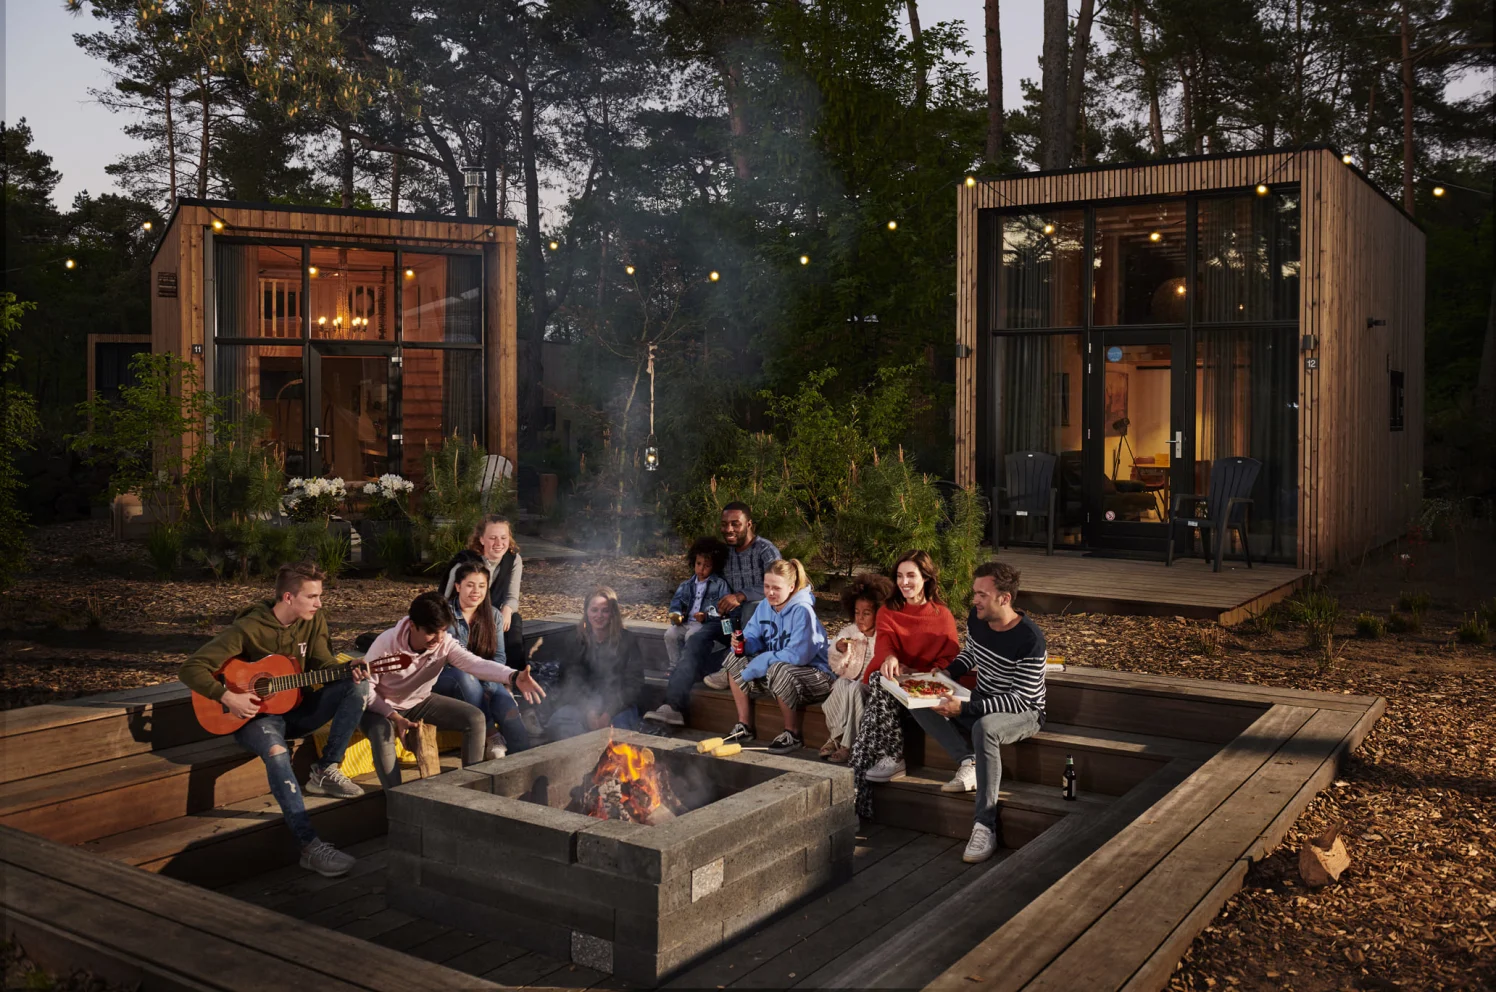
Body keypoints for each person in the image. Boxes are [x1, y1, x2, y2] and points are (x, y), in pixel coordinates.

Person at [178, 562, 370, 878]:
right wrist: (229, 697)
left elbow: (322, 662)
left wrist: (349, 667)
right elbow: (190, 668)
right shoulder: (248, 629)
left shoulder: (313, 619)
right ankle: (310, 847)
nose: (319, 603)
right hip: (254, 718)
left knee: (356, 684)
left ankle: (325, 769)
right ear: (288, 598)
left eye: (319, 596)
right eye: (312, 596)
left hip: (298, 709)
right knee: (277, 753)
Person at [909, 561, 1047, 863]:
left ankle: (985, 824)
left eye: (982, 595)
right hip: (982, 700)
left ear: (1004, 598)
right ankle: (967, 760)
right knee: (919, 698)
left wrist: (966, 707)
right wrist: (944, 676)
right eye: (975, 594)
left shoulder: (1030, 640)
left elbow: (1019, 699)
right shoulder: (978, 618)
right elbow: (971, 653)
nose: (974, 601)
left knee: (985, 727)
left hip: (1023, 712)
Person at [361, 592, 545, 790]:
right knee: (383, 734)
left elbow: (475, 664)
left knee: (474, 718)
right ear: (413, 626)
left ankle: (471, 788)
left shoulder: (444, 642)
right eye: (432, 632)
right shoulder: (386, 644)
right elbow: (365, 690)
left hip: (417, 701)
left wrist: (513, 676)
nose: (439, 638)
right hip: (377, 707)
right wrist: (395, 717)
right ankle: (395, 798)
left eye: (443, 630)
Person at [645, 502, 780, 726]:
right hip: (727, 624)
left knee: (748, 609)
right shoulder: (723, 553)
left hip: (757, 625)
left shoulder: (765, 550)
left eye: (735, 524)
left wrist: (741, 595)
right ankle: (672, 707)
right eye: (724, 524)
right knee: (697, 640)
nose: (729, 529)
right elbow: (705, 582)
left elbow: (778, 587)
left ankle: (728, 668)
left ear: (749, 524)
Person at [849, 550, 960, 815]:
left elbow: (950, 658)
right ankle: (890, 758)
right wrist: (890, 657)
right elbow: (885, 643)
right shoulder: (888, 610)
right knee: (881, 678)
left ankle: (858, 800)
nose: (904, 582)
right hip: (894, 690)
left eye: (911, 575)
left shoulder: (942, 614)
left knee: (868, 729)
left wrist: (927, 673)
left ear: (926, 578)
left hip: (925, 692)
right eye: (899, 576)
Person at [721, 558, 832, 755]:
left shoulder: (802, 611)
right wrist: (744, 644)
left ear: (791, 587)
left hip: (816, 677)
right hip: (780, 675)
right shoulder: (765, 606)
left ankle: (792, 733)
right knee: (734, 658)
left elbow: (799, 656)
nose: (770, 592)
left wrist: (762, 660)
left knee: (778, 668)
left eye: (776, 588)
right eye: (766, 586)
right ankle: (744, 726)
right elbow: (754, 635)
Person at [432, 561, 531, 758]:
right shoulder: (444, 614)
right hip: (445, 679)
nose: (476, 591)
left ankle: (525, 763)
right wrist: (482, 684)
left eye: (481, 586)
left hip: (484, 679)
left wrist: (486, 686)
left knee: (507, 707)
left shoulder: (493, 615)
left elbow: (499, 656)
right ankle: (492, 734)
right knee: (464, 676)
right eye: (470, 585)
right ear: (458, 586)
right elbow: (448, 661)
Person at [538, 586, 649, 741]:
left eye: (605, 610)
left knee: (619, 735)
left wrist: (608, 712)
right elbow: (568, 680)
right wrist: (588, 710)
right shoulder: (575, 641)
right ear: (586, 613)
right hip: (581, 705)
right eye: (594, 610)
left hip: (619, 706)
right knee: (561, 721)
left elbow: (634, 683)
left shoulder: (627, 640)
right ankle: (581, 760)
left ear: (613, 614)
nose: (599, 615)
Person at [819, 573, 894, 763]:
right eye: (857, 612)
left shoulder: (883, 635)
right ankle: (835, 736)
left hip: (872, 686)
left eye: (866, 613)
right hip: (851, 683)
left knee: (854, 687)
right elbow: (835, 665)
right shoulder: (850, 632)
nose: (860, 618)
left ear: (878, 612)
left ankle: (847, 744)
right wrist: (839, 649)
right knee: (842, 684)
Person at [442, 515, 524, 662]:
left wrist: (507, 610)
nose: (499, 543)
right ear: (481, 539)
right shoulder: (464, 563)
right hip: (463, 613)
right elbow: (443, 599)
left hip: (494, 612)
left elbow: (512, 597)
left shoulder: (513, 559)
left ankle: (516, 674)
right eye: (493, 538)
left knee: (514, 621)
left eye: (503, 538)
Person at [664, 537, 732, 668]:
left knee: (691, 635)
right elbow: (676, 603)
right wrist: (676, 615)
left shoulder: (719, 585)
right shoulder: (686, 585)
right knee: (670, 634)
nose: (701, 569)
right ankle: (674, 666)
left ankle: (689, 666)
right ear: (693, 562)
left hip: (704, 624)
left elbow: (724, 609)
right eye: (698, 564)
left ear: (715, 566)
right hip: (686, 622)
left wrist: (706, 615)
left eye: (707, 566)